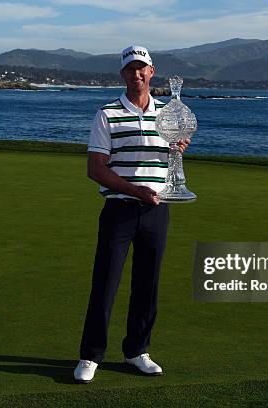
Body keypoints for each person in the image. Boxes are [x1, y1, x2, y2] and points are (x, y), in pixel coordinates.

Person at [74, 45, 190, 383]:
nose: (136, 74)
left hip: (157, 211)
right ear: (123, 74)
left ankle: (137, 351)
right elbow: (95, 169)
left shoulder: (169, 115)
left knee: (147, 284)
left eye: (142, 68)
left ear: (152, 72)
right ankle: (90, 355)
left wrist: (178, 151)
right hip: (119, 210)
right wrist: (134, 190)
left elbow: (168, 162)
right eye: (130, 69)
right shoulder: (107, 114)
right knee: (106, 284)